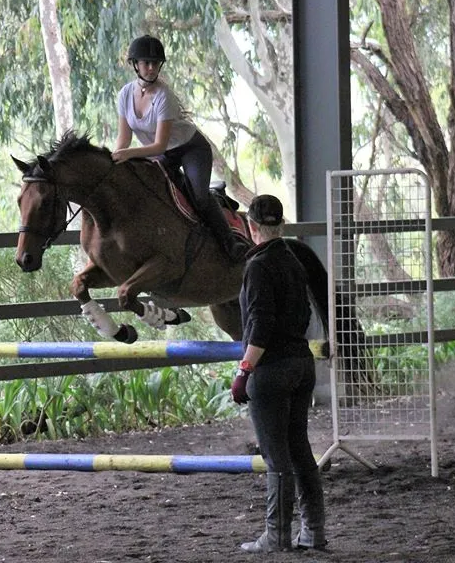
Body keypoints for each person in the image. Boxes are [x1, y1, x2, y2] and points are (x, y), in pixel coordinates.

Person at [230, 194, 327, 553]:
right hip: (302, 363)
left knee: (276, 456)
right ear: (281, 225)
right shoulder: (293, 259)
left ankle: (277, 535)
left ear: (252, 228)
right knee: (300, 448)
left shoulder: (257, 267)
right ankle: (313, 529)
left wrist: (244, 371)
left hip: (272, 369)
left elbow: (260, 327)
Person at [111, 34, 248, 262]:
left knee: (199, 198)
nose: (152, 68)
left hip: (189, 148)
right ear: (135, 65)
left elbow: (159, 145)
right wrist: (115, 160)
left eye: (156, 63)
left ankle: (230, 243)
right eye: (146, 63)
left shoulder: (164, 96)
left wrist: (126, 154)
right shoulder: (125, 94)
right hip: (160, 154)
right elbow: (123, 139)